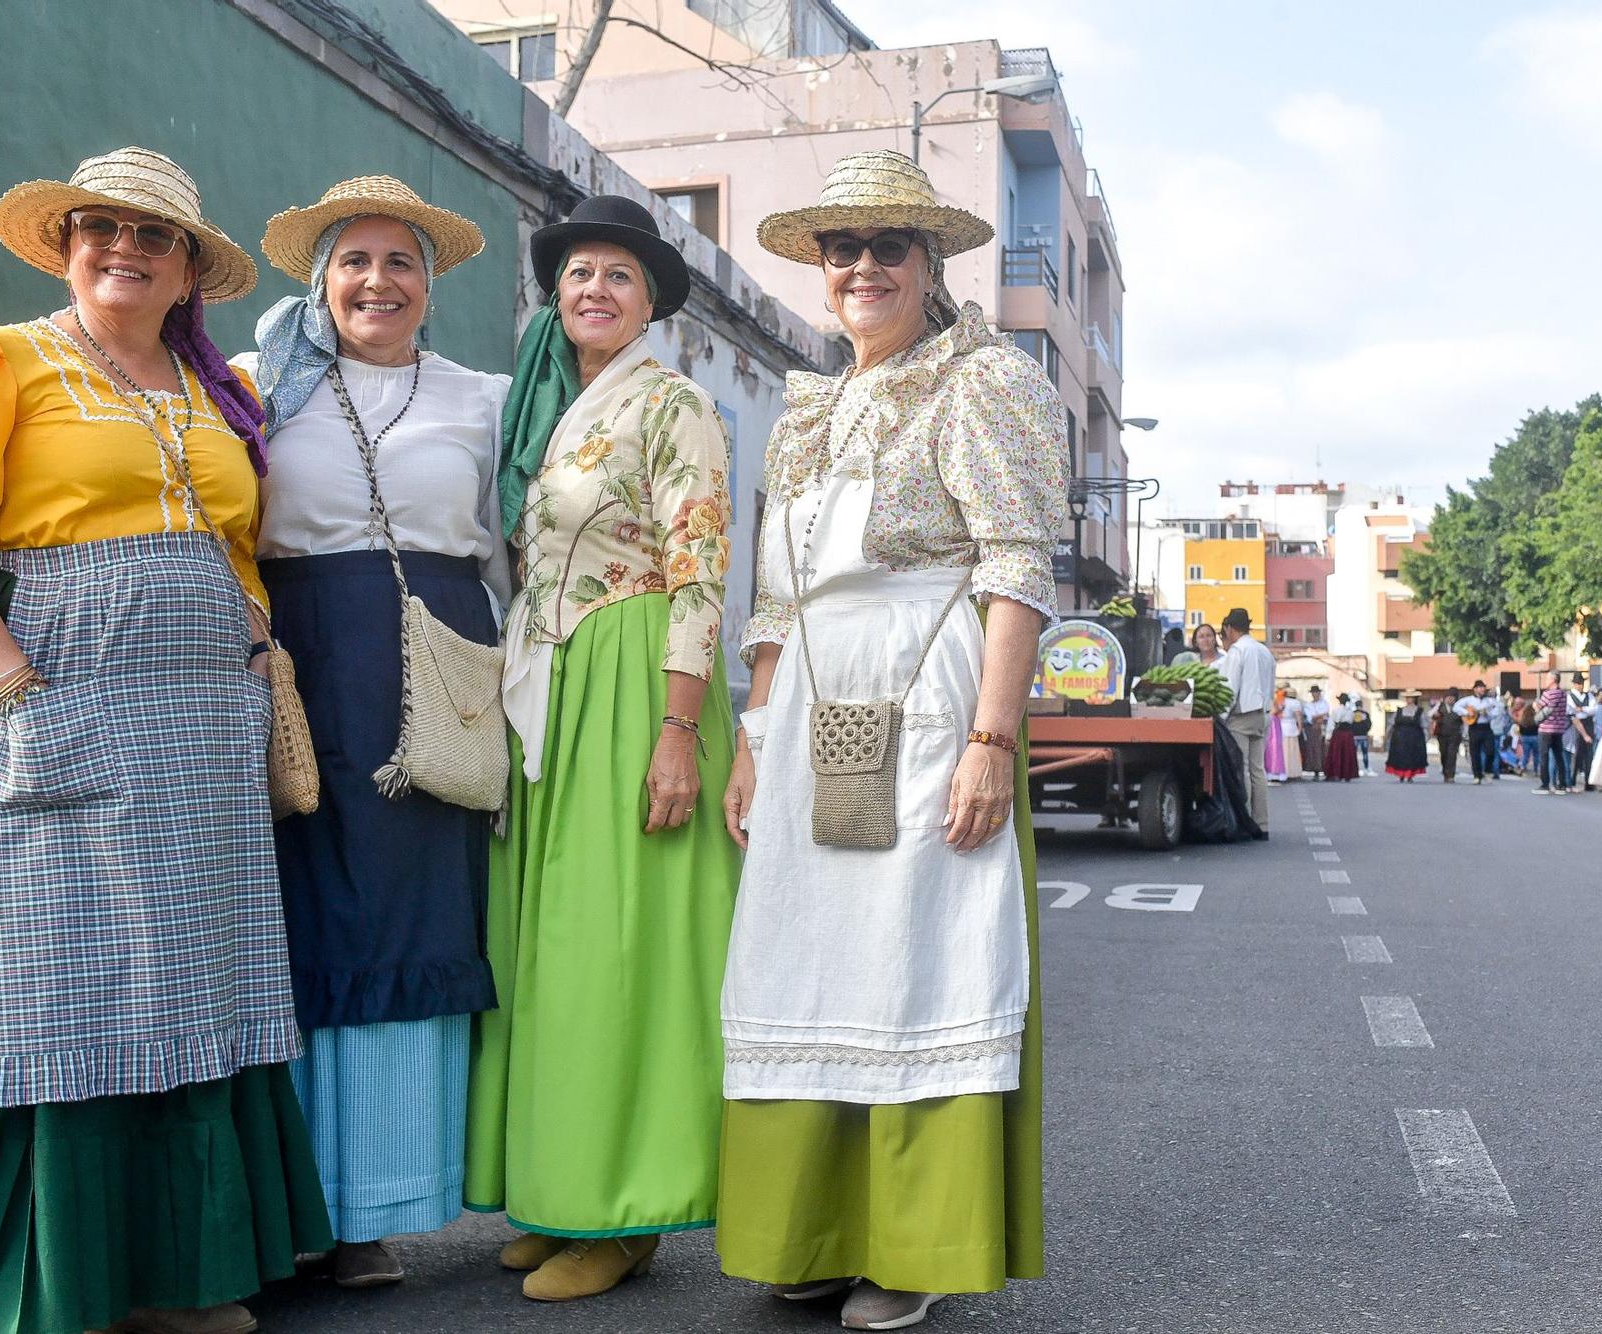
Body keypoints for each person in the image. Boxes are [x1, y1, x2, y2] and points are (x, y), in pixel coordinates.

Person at [0, 148, 329, 1334]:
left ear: (190, 268)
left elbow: (233, 542)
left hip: (197, 724)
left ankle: (174, 1272)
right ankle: (52, 1278)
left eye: (153, 235)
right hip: (56, 697)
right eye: (98, 226)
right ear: (64, 242)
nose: (122, 247)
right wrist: (15, 686)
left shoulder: (212, 388)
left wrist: (243, 656)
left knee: (190, 976)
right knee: (45, 983)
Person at [716, 150, 1063, 1331]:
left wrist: (989, 738)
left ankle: (913, 1242)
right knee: (808, 955)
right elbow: (772, 602)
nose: (861, 266)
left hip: (926, 693)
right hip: (813, 709)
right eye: (839, 248)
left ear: (932, 261)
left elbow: (1016, 568)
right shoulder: (808, 406)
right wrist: (753, 735)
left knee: (919, 959)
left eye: (888, 246)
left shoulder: (984, 381)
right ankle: (811, 1227)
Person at [465, 195, 740, 1300]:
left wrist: (678, 729)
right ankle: (555, 1183)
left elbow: (700, 567)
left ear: (652, 302)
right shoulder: (554, 409)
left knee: (617, 948)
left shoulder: (672, 403)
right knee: (546, 942)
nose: (593, 290)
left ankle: (623, 1207)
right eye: (578, 272)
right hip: (554, 681)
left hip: (635, 677)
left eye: (618, 277)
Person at [235, 177, 507, 1288]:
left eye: (401, 264)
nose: (377, 282)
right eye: (355, 261)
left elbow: (516, 541)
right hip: (294, 657)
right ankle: (287, 1205)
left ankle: (372, 1213)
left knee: (408, 918)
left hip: (435, 664)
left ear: (429, 288)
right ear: (321, 279)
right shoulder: (257, 385)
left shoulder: (481, 398)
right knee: (290, 914)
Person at [1216, 608, 1276, 833]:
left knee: (1240, 770)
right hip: (1261, 715)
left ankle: (1243, 823)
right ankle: (1261, 824)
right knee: (1258, 771)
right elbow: (1270, 685)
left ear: (1230, 629)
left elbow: (1230, 689)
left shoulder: (1238, 651)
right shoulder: (1263, 651)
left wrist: (1221, 717)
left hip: (1240, 716)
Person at [1532, 674, 1571, 794]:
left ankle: (1545, 784)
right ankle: (1562, 784)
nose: (1546, 680)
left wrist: (1535, 706)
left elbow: (1541, 709)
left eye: (1547, 678)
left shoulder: (1548, 694)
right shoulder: (1563, 694)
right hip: (1559, 729)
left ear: (1553, 680)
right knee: (1559, 756)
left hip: (1546, 729)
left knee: (1544, 756)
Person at [1385, 692, 1429, 780]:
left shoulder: (1419, 711)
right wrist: (1388, 734)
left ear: (1414, 699)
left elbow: (1424, 725)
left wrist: (1426, 736)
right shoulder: (1400, 710)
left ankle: (1410, 775)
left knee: (1412, 756)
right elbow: (1391, 723)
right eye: (1408, 697)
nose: (1409, 699)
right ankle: (1401, 774)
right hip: (1400, 738)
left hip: (1414, 738)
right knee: (1400, 755)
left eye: (1411, 698)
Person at [1459, 681, 1496, 783]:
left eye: (1483, 687)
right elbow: (1456, 707)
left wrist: (1488, 713)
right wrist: (1467, 712)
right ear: (1475, 689)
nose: (1482, 689)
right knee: (1475, 752)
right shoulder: (1468, 700)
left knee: (1490, 750)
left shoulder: (1489, 701)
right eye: (1480, 687)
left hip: (1486, 727)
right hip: (1474, 727)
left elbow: (1497, 710)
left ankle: (1488, 771)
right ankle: (1477, 775)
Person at [1566, 679, 1598, 792]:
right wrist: (1582, 711)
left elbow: (1594, 709)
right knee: (1576, 754)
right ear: (1574, 684)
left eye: (1581, 683)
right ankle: (1572, 779)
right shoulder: (1569, 696)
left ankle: (1588, 782)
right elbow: (1572, 710)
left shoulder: (1589, 695)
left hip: (1588, 724)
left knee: (1589, 754)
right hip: (1575, 724)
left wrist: (1583, 709)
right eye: (1578, 684)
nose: (1580, 686)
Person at [1323, 692, 1360, 780]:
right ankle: (1347, 774)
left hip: (1338, 734)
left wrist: (1328, 736)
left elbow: (1331, 724)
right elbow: (1351, 722)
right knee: (1347, 754)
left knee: (1336, 754)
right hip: (1347, 734)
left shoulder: (1336, 711)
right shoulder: (1350, 711)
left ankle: (1336, 773)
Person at [1431, 687, 1465, 782]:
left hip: (1455, 734)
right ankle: (1445, 771)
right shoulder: (1440, 706)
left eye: (1452, 697)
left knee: (1452, 754)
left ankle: (1451, 775)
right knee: (1444, 753)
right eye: (1448, 697)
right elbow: (1430, 715)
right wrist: (1435, 715)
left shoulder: (1459, 708)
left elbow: (1464, 720)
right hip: (1442, 734)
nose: (1450, 699)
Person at [1299, 684, 1330, 780]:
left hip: (1322, 728)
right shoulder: (1309, 705)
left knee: (1322, 748)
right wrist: (1320, 716)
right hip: (1312, 729)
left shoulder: (1324, 703)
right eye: (1313, 692)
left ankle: (1324, 769)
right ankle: (1315, 769)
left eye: (1316, 692)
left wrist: (1319, 716)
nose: (1315, 694)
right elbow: (1311, 717)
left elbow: (1325, 715)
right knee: (1312, 749)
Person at [1265, 685, 1289, 784]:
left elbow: (1274, 711)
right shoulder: (1275, 700)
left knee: (1274, 747)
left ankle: (1274, 771)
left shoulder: (1276, 700)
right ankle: (1273, 771)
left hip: (1273, 723)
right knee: (1272, 747)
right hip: (1273, 723)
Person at [1280, 686, 1306, 778]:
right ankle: (1293, 772)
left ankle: (1283, 771)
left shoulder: (1281, 701)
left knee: (1283, 750)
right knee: (1292, 750)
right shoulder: (1295, 703)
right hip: (1291, 726)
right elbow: (1298, 716)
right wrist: (1300, 727)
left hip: (1281, 725)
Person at [1515, 693, 1540, 777]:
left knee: (1526, 754)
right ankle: (1536, 770)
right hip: (1535, 737)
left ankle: (1522, 767)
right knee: (1536, 755)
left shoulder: (1524, 719)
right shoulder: (1536, 717)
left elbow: (1520, 728)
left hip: (1525, 737)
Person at [1349, 693, 1374, 774]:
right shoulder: (1365, 714)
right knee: (1365, 753)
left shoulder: (1352, 713)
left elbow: (1349, 724)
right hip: (1363, 736)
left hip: (1354, 736)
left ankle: (1353, 768)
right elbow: (1369, 724)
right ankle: (1366, 767)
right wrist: (1366, 730)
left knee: (1353, 753)